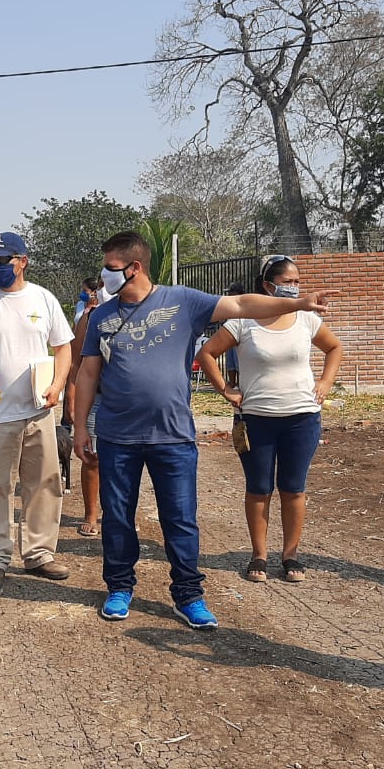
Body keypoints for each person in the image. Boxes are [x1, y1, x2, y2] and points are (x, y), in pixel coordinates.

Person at [73, 232, 331, 629]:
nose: (104, 275)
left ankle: (188, 595)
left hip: (173, 437)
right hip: (117, 437)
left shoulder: (182, 301)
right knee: (118, 517)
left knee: (180, 519)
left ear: (134, 268)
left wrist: (296, 302)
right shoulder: (100, 317)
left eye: (109, 268)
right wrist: (79, 427)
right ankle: (120, 588)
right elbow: (88, 371)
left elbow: (243, 304)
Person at [196, 256, 343, 583]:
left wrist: (325, 382)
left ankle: (290, 555)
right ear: (267, 285)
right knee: (259, 488)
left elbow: (334, 348)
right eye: (287, 281)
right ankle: (259, 556)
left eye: (296, 281)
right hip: (256, 420)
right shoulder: (243, 320)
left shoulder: (306, 318)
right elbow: (206, 354)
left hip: (302, 418)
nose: (294, 287)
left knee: (293, 488)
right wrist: (226, 389)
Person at [0, 232, 74, 590]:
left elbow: (63, 347)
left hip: (39, 411)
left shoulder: (43, 298)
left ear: (22, 261)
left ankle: (39, 553)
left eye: (1, 260)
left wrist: (57, 386)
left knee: (43, 484)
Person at [66, 277, 104, 537]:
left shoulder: (142, 314)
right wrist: (72, 400)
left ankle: (118, 513)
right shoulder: (89, 320)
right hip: (96, 397)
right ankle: (91, 512)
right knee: (91, 458)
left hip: (129, 401)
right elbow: (75, 363)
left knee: (127, 461)